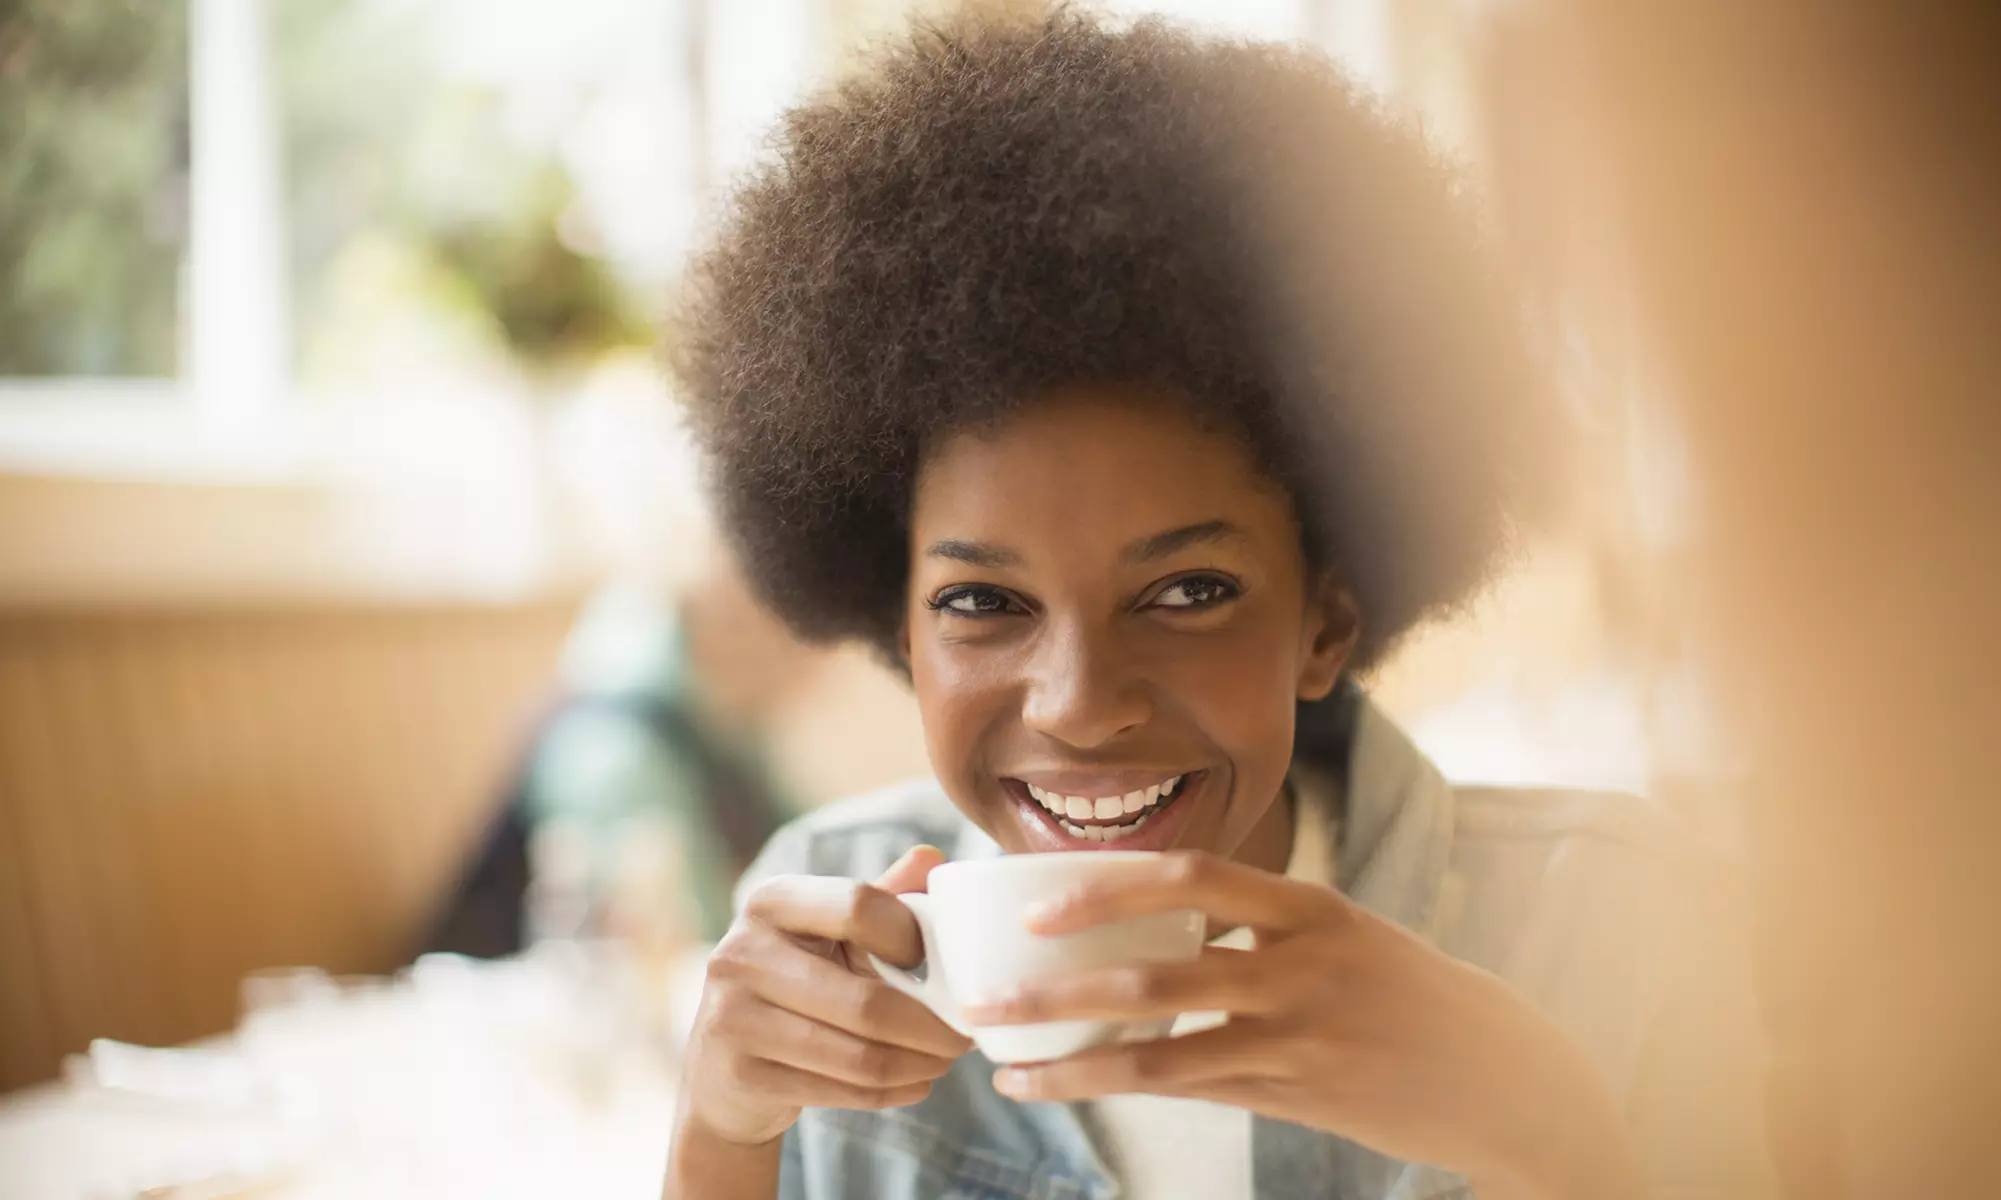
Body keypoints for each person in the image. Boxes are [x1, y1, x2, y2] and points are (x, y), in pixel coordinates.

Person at [662, 9, 1772, 1199]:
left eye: (1187, 591)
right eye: (983, 600)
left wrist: (1554, 1139)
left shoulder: (1610, 919)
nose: (1082, 707)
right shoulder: (832, 936)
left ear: (1326, 623)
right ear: (901, 628)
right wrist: (722, 1136)